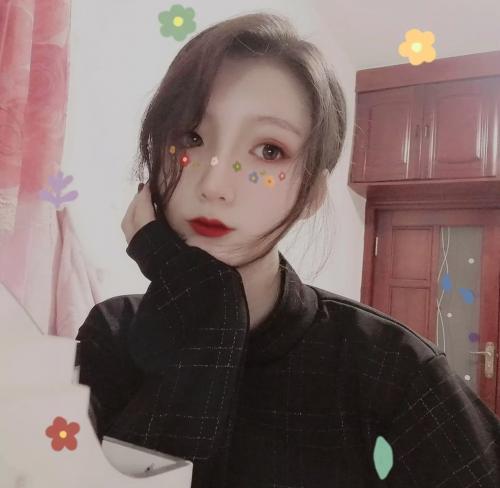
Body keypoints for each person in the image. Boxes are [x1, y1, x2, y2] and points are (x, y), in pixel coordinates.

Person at [75, 12, 500, 488]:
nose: (215, 184)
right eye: (191, 137)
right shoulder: (113, 334)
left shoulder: (389, 367)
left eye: (269, 151)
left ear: (312, 193)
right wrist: (205, 306)